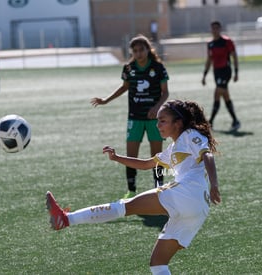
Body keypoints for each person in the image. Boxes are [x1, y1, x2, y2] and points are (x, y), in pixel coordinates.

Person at [46, 99, 221, 275]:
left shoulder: (189, 134)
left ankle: (66, 219)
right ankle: (65, 219)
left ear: (178, 123)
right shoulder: (173, 148)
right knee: (158, 264)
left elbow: (207, 155)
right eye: (157, 120)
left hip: (187, 193)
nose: (158, 124)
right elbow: (146, 164)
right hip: (198, 208)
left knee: (125, 206)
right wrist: (117, 158)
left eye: (163, 120)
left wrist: (214, 184)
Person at [90, 35, 169, 198]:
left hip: (154, 119)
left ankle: (159, 189)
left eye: (142, 50)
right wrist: (106, 100)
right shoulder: (128, 68)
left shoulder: (158, 67)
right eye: (135, 50)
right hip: (135, 118)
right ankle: (131, 190)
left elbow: (165, 92)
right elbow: (124, 87)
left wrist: (157, 107)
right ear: (131, 52)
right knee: (131, 155)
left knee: (157, 157)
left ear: (148, 49)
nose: (139, 53)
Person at [201, 21, 241, 131]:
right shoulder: (210, 44)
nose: (214, 30)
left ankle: (210, 122)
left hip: (226, 71)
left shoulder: (227, 42)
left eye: (216, 28)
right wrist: (204, 75)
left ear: (220, 29)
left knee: (217, 93)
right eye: (213, 28)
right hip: (216, 72)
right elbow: (209, 60)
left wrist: (236, 72)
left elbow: (234, 56)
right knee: (225, 95)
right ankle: (235, 121)